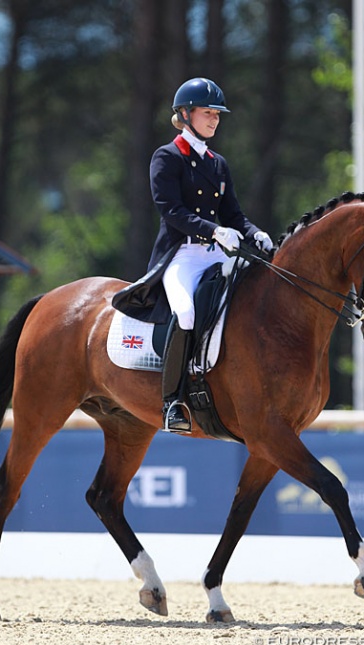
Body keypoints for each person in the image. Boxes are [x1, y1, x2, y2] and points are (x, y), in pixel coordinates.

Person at [126, 77, 274, 432]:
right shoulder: (168, 156)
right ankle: (174, 401)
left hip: (216, 253)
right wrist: (213, 230)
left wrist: (256, 233)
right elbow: (171, 210)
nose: (214, 120)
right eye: (208, 113)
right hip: (182, 255)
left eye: (217, 115)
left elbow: (233, 215)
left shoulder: (218, 164)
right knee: (188, 313)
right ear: (185, 113)